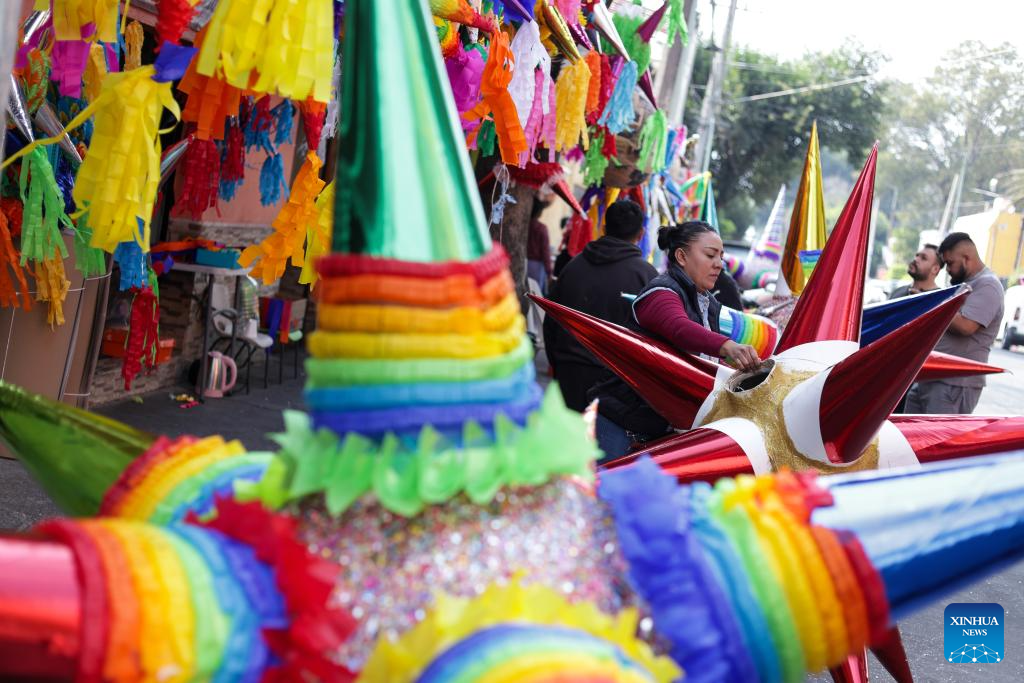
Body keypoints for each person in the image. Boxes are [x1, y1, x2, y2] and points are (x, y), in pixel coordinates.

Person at [590, 221, 762, 460]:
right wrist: (726, 345)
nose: (719, 264)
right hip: (620, 424)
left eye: (721, 257)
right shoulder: (661, 292)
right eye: (710, 255)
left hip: (657, 432)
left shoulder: (707, 303)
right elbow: (679, 328)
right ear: (681, 256)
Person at [543, 200, 657, 411]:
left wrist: (558, 363)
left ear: (604, 228)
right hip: (615, 384)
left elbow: (550, 321)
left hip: (568, 373)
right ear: (641, 234)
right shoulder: (647, 276)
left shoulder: (573, 266)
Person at [905, 232, 1004, 414]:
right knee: (912, 438)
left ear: (966, 258)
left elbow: (966, 326)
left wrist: (929, 301)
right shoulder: (964, 283)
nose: (947, 269)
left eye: (950, 263)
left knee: (936, 441)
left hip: (955, 383)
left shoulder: (988, 286)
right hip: (930, 377)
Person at [526, 199, 553, 295]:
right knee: (535, 294)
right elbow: (545, 251)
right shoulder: (541, 228)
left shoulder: (525, 225)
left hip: (524, 262)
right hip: (536, 266)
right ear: (539, 212)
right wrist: (549, 271)